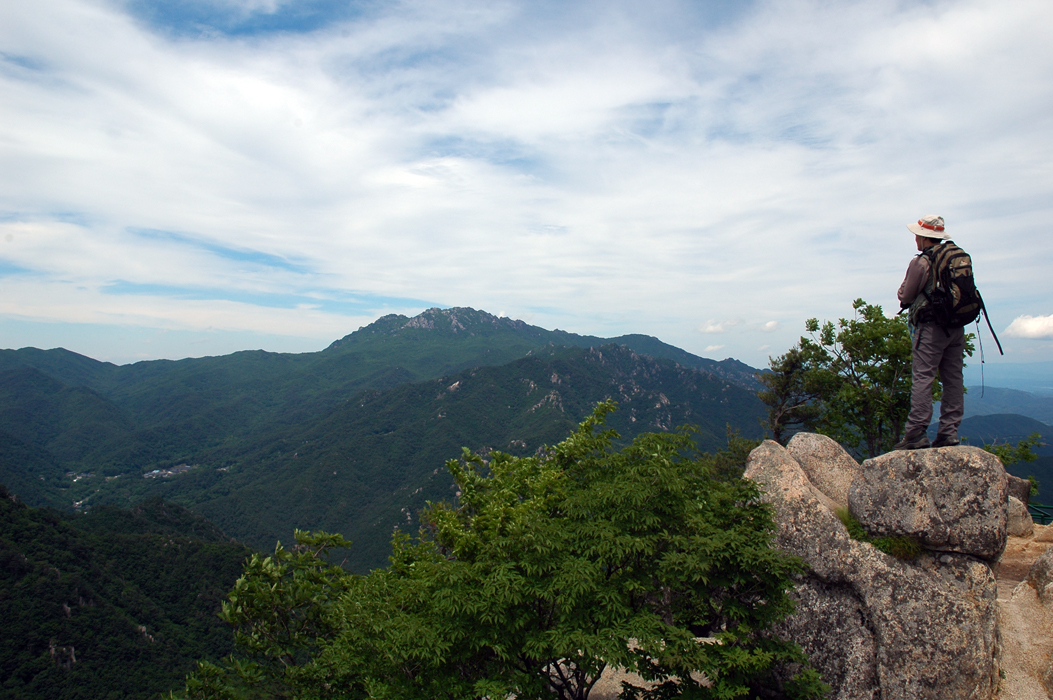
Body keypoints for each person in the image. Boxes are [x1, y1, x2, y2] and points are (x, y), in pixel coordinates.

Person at [893, 214, 966, 450]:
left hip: (930, 328)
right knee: (953, 379)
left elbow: (906, 295)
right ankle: (949, 433)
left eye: (917, 235)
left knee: (924, 377)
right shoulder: (955, 258)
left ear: (924, 238)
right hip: (956, 326)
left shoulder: (922, 262)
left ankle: (916, 432)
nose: (915, 239)